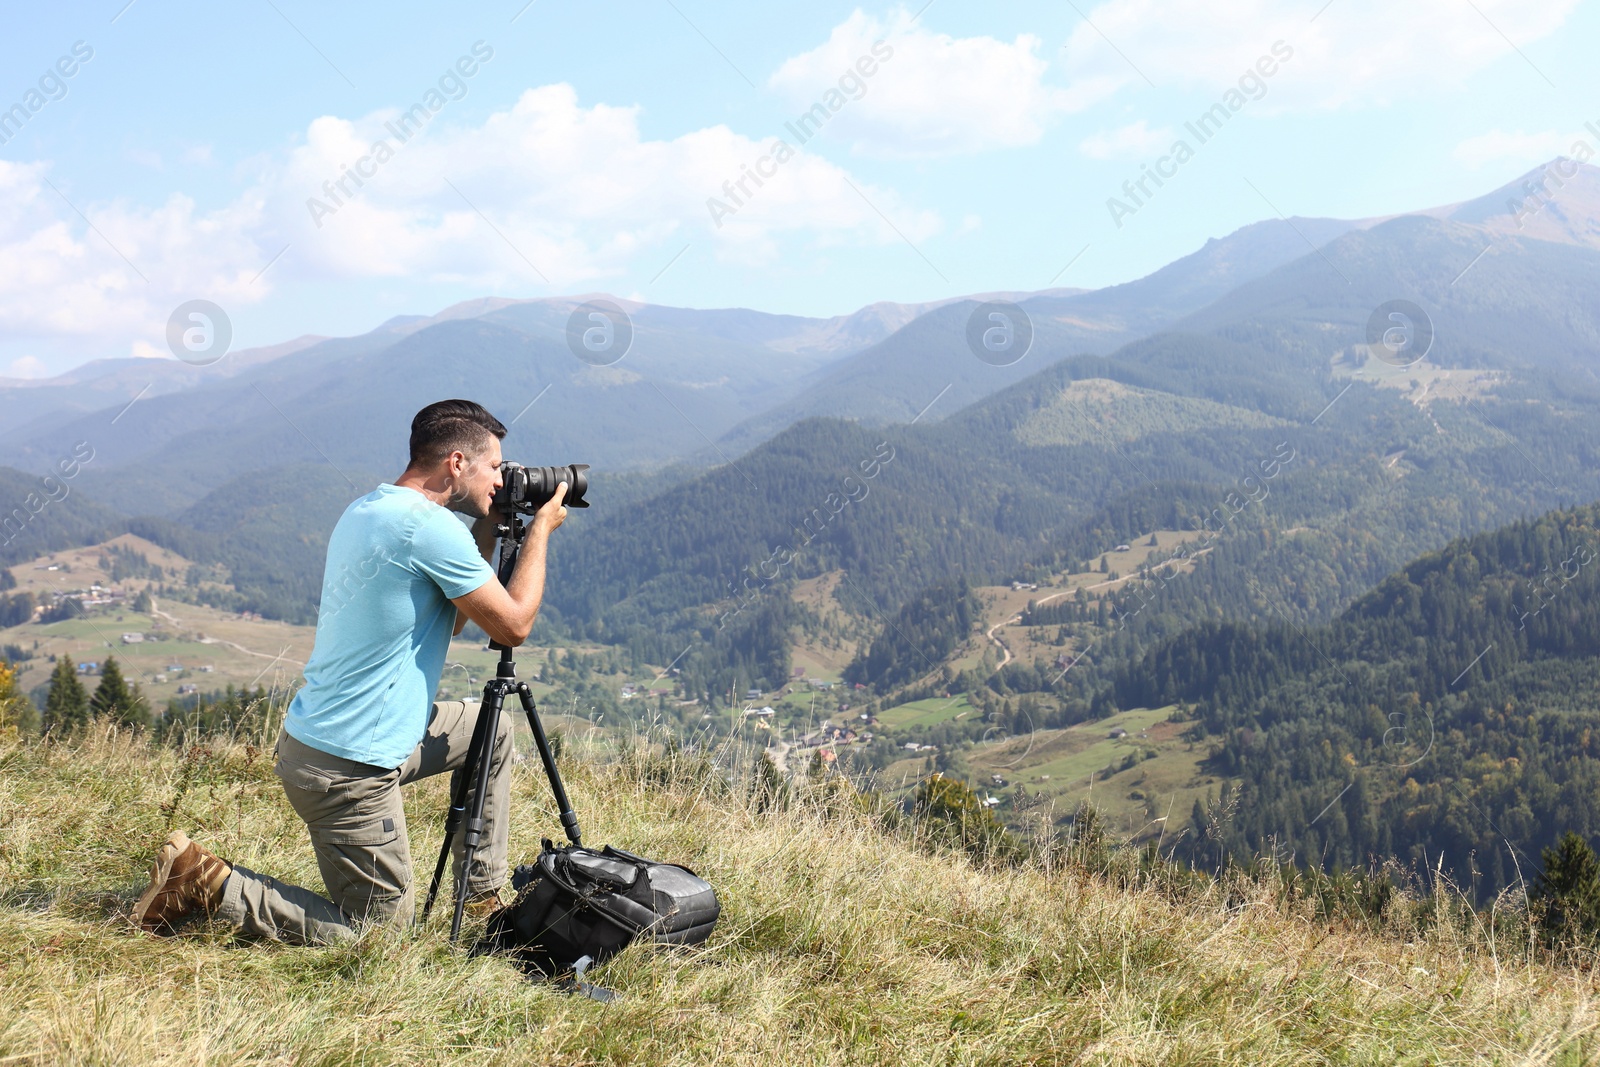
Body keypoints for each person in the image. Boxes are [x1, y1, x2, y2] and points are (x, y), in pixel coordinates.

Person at [131, 399, 568, 943]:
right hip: (347, 768)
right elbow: (513, 627)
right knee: (381, 937)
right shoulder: (429, 530)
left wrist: (486, 532)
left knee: (491, 728)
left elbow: (455, 623)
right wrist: (542, 530)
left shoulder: (371, 509)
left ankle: (480, 898)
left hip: (334, 739)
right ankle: (207, 882)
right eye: (495, 467)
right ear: (457, 463)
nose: (502, 481)